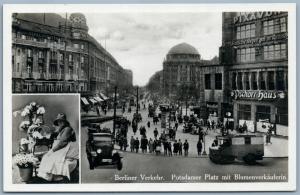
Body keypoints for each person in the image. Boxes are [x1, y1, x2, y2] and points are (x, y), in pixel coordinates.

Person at [38, 113, 78, 181]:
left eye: (61, 121)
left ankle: (52, 176)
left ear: (65, 122)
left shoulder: (67, 129)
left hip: (67, 149)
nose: (60, 123)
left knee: (49, 156)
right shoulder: (62, 130)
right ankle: (50, 176)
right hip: (63, 148)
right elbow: (57, 137)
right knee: (46, 156)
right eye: (59, 121)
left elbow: (63, 142)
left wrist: (53, 150)